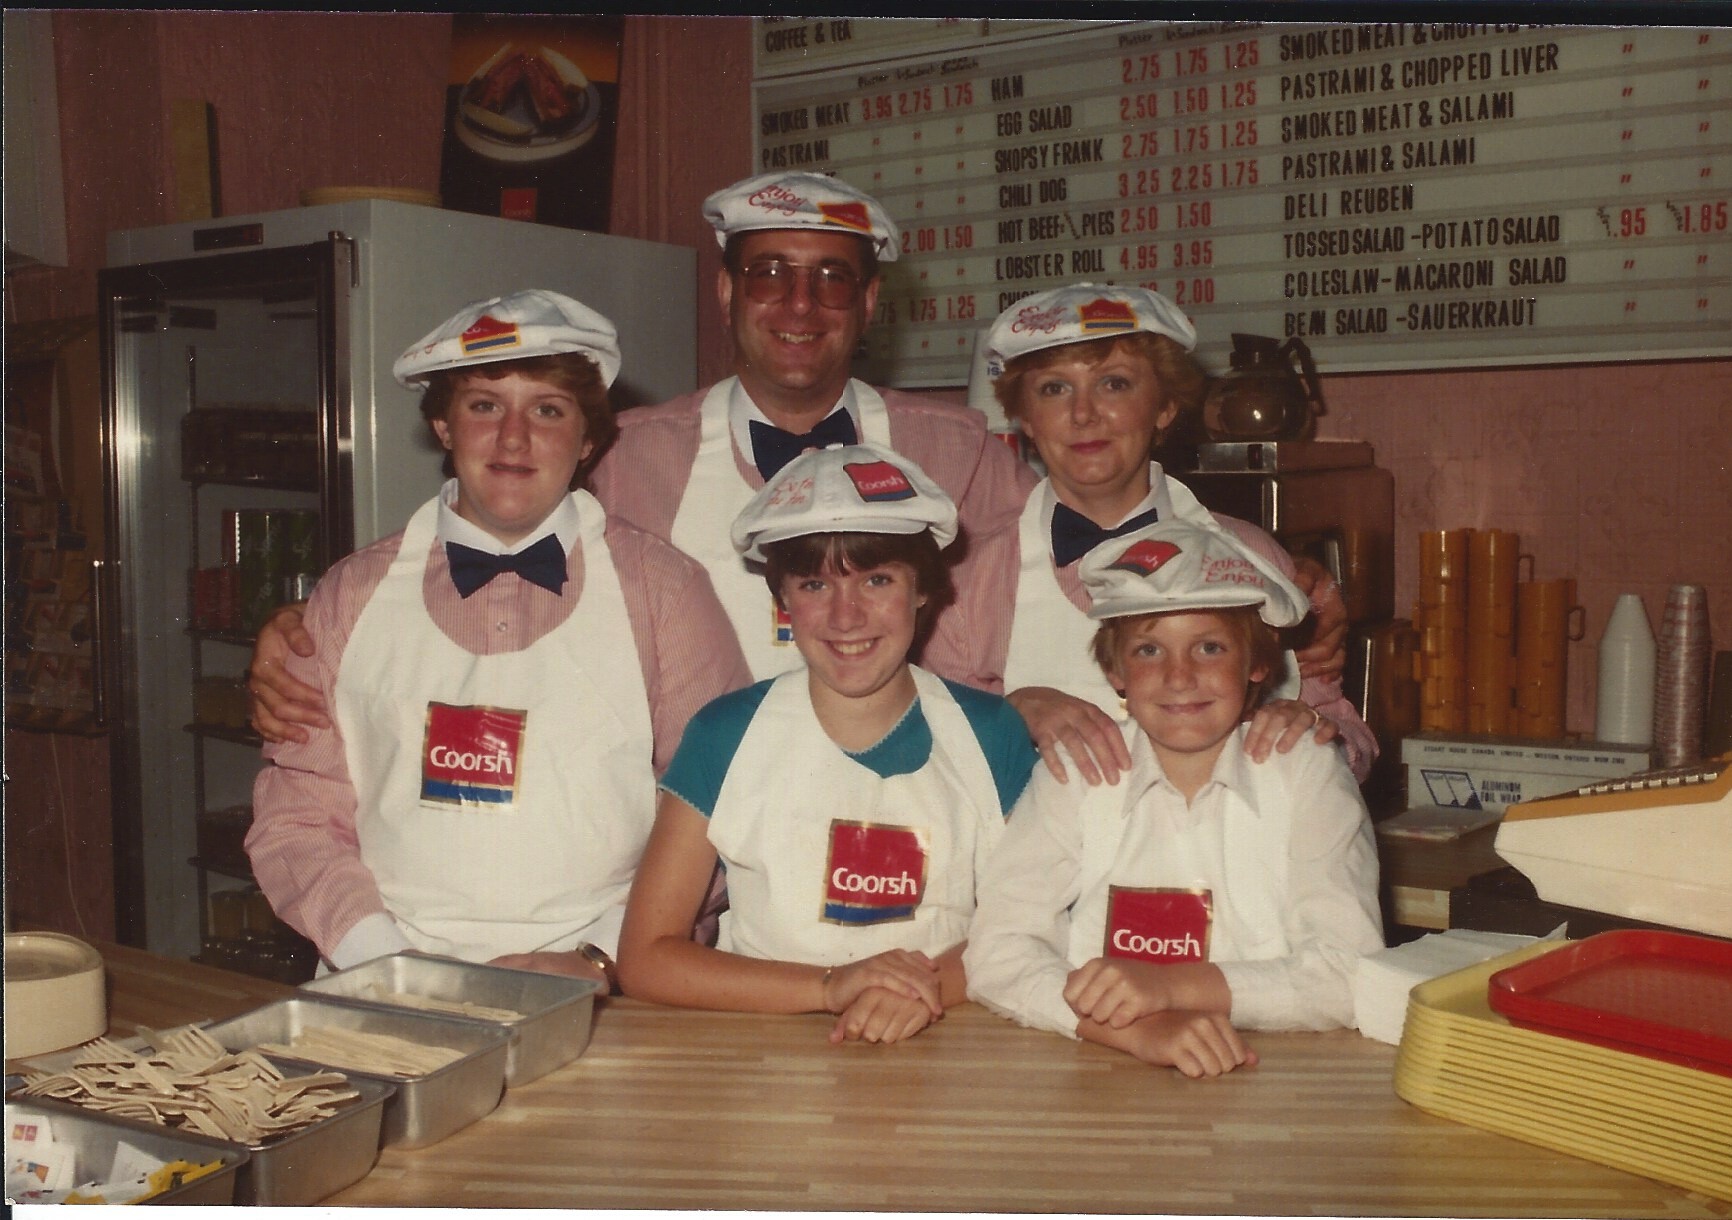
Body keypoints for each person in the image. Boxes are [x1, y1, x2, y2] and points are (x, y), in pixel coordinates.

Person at [246, 290, 751, 982]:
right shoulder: (351, 594)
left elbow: (717, 809)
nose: (514, 438)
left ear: (590, 439)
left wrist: (598, 956)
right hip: (379, 978)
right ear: (443, 427)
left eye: (548, 409)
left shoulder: (666, 592)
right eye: (485, 405)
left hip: (609, 982)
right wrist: (386, 962)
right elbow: (297, 818)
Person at [616, 442, 1037, 1045]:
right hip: (764, 1052)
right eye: (815, 584)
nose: (846, 617)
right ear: (782, 598)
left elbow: (1035, 918)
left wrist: (921, 992)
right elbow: (648, 957)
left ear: (924, 589)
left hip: (957, 1044)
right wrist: (830, 986)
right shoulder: (725, 733)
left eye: (877, 580)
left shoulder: (990, 732)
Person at [963, 519, 1384, 1078]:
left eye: (1209, 648)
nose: (1179, 676)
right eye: (1148, 650)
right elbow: (997, 951)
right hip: (1095, 1077)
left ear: (1258, 664)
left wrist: (1165, 985)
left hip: (1283, 1080)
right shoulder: (1080, 771)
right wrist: (1134, 1030)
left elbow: (1351, 973)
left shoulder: (1305, 773)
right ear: (1114, 671)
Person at [927, 282, 1378, 787]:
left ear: (1164, 408)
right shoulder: (970, 580)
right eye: (1054, 388)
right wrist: (1008, 717)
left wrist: (1317, 737)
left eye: (1114, 383)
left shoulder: (1252, 554)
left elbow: (1347, 734)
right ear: (1026, 418)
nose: (1083, 414)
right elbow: (936, 765)